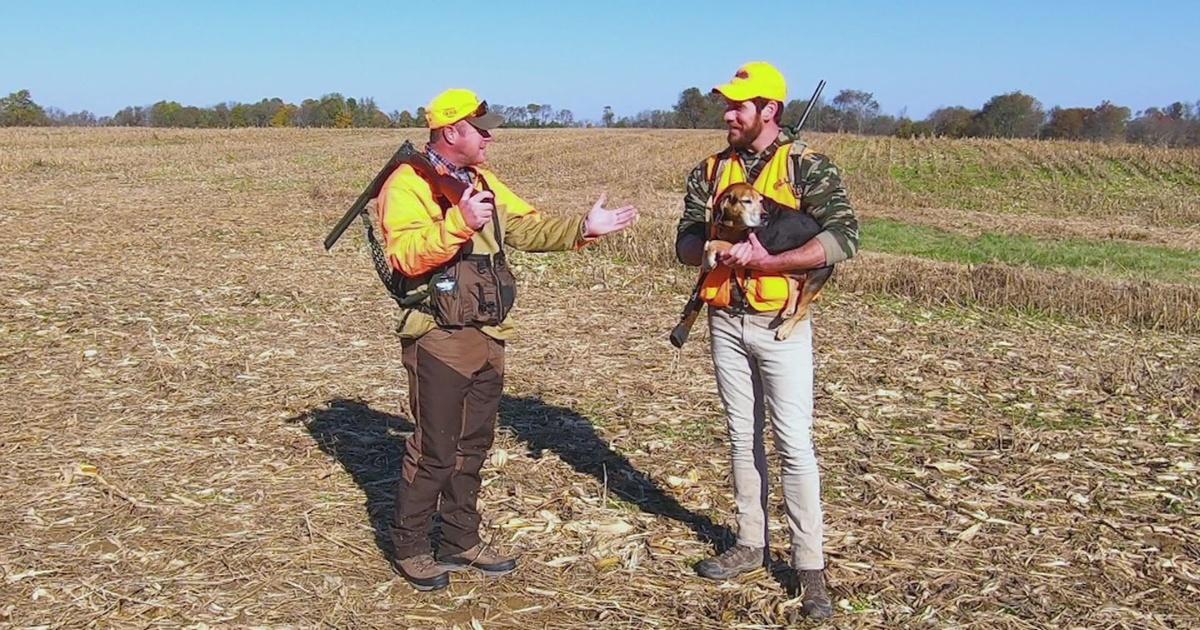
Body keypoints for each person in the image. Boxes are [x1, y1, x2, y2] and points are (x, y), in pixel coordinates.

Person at [381, 88, 637, 591]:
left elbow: (524, 226)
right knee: (435, 450)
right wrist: (458, 223)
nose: (491, 136)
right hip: (439, 335)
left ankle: (459, 539)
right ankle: (410, 546)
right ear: (451, 131)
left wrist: (583, 228)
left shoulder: (479, 180)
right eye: (481, 129)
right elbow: (406, 257)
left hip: (488, 333)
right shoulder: (408, 184)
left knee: (473, 445)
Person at [674, 62, 859, 620]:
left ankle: (810, 568)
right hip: (724, 319)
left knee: (795, 444)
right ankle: (750, 544)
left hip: (782, 325)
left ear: (769, 111)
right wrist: (706, 249)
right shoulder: (708, 172)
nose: (727, 114)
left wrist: (770, 259)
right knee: (739, 436)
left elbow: (842, 239)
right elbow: (683, 239)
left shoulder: (809, 168)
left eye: (738, 106)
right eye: (726, 105)